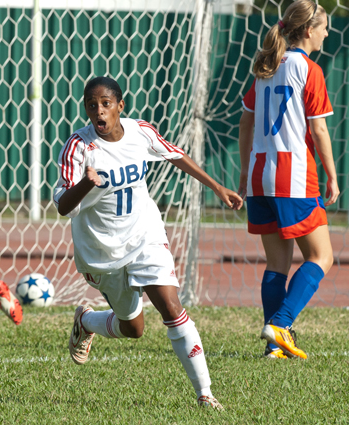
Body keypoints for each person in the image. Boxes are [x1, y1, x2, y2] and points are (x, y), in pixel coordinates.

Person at [53, 76, 243, 409]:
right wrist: (86, 183)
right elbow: (63, 206)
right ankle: (86, 321)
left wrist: (217, 187)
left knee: (172, 307)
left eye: (106, 103)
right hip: (102, 252)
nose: (99, 111)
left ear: (120, 106)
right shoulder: (78, 148)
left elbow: (175, 155)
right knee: (134, 329)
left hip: (145, 236)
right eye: (92, 105)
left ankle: (205, 394)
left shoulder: (140, 131)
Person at [238, 0, 337, 360]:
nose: (327, 33)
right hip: (293, 177)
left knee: (277, 264)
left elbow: (246, 122)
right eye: (324, 26)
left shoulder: (265, 66)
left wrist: (243, 172)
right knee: (321, 256)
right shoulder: (308, 69)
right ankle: (281, 323)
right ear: (308, 30)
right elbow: (320, 129)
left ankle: (273, 347)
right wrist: (332, 175)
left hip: (259, 177)